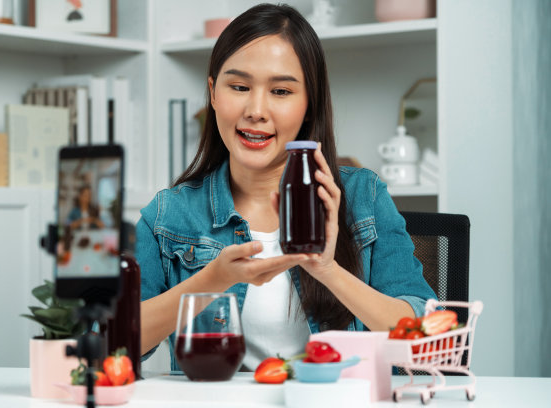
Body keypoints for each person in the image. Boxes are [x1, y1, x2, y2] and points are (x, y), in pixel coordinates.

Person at [135, 3, 436, 372]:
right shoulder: (169, 215)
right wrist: (213, 279)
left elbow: (424, 339)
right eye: (239, 86)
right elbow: (116, 346)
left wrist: (327, 269)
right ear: (213, 93)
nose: (256, 110)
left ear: (309, 104)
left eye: (280, 91)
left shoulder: (364, 198)